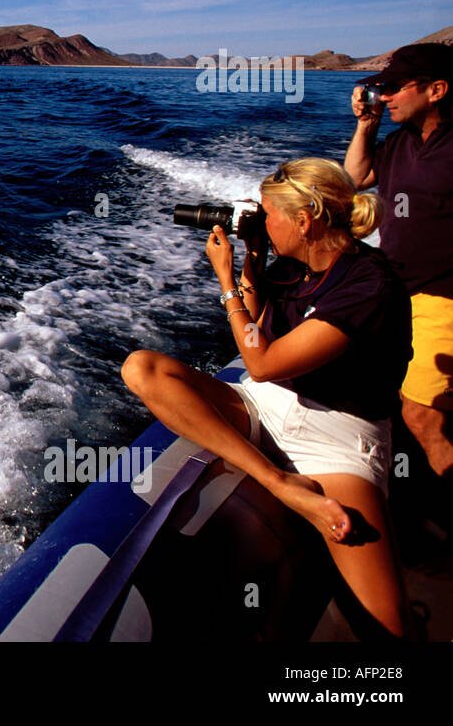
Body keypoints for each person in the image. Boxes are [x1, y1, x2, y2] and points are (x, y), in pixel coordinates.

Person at [121, 158, 412, 638]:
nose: (263, 222)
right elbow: (259, 335)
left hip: (338, 434)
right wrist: (252, 262)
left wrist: (224, 283)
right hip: (270, 402)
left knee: (385, 627)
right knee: (143, 368)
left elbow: (260, 360)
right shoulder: (294, 266)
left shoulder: (368, 285)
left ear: (305, 220)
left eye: (270, 215)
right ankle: (277, 481)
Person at [344, 42, 453, 478]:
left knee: (422, 416)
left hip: (444, 297)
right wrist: (366, 126)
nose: (383, 97)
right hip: (397, 290)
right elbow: (353, 180)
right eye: (380, 89)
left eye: (392, 88)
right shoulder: (399, 141)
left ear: (437, 90)